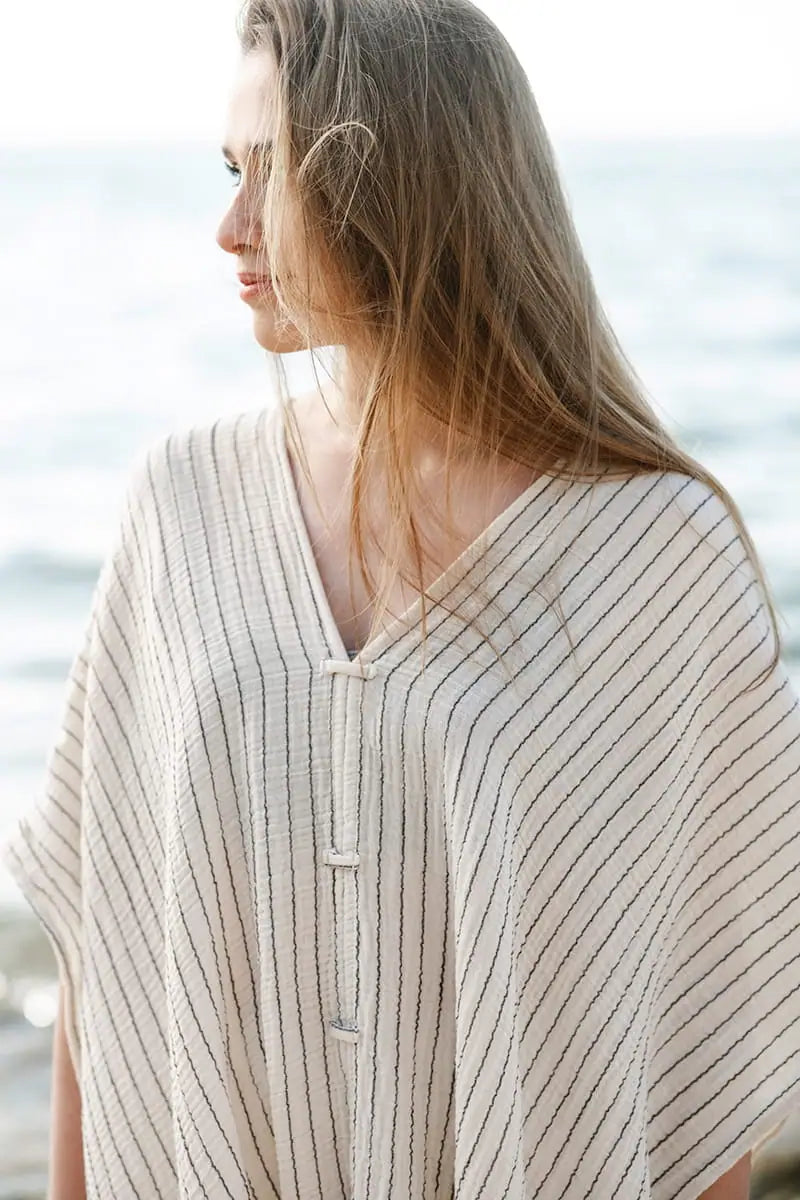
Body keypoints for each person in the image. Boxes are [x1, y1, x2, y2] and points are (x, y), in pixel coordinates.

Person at [3, 1, 799, 1197]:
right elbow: (105, 942)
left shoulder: (655, 556)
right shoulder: (181, 506)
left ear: (396, 183)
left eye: (266, 173)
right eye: (228, 171)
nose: (227, 227)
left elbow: (694, 1038)